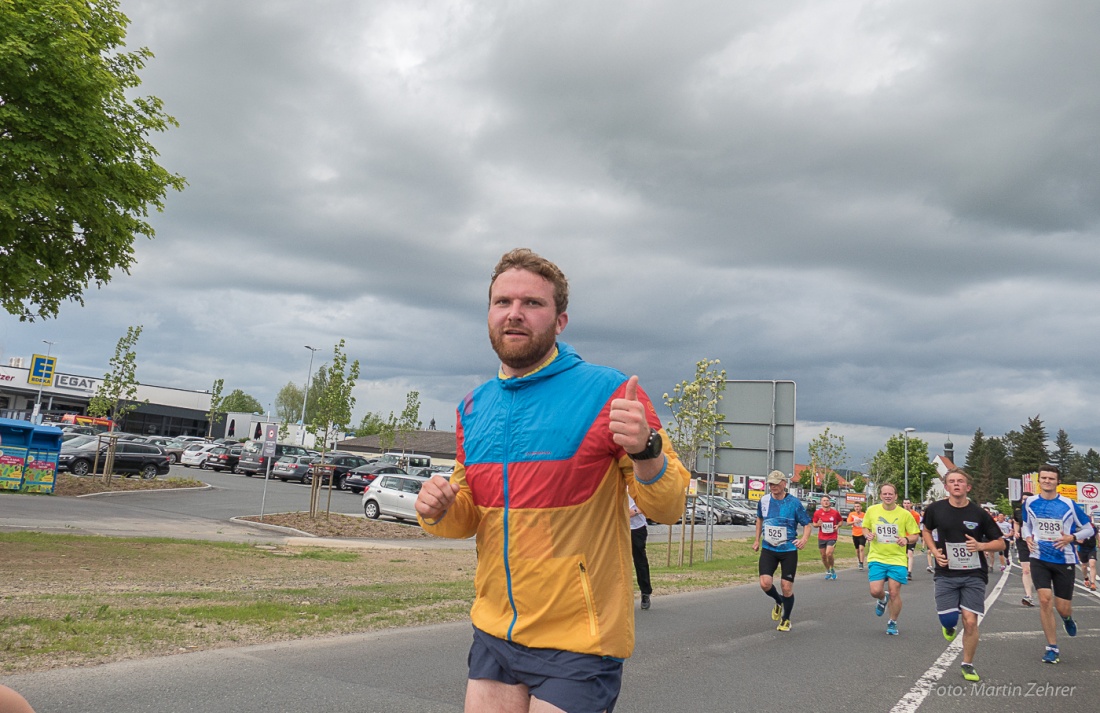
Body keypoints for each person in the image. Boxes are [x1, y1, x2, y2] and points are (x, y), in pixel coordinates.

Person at [414, 248, 689, 713]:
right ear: (488, 313)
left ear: (560, 320)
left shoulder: (611, 392)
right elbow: (468, 517)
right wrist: (437, 508)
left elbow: (670, 507)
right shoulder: (472, 407)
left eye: (532, 304)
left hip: (578, 640)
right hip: (495, 631)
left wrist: (646, 451)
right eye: (502, 302)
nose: (514, 314)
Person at [922, 469, 1005, 683]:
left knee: (970, 621)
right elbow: (926, 530)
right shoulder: (935, 509)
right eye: (952, 481)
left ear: (968, 487)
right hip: (946, 572)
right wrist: (933, 550)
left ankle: (967, 664)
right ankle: (949, 625)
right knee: (949, 619)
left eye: (960, 481)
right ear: (946, 487)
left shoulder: (979, 514)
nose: (956, 484)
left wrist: (981, 545)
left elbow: (1001, 543)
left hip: (973, 574)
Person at [1021, 465, 1096, 665]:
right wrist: (1027, 536)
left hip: (1064, 560)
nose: (1047, 481)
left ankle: (1067, 619)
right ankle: (1052, 647)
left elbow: (1089, 529)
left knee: (1063, 608)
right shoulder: (1029, 503)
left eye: (1051, 478)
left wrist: (1072, 537)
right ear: (1039, 481)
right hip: (1039, 558)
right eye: (1044, 478)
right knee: (1045, 600)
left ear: (1057, 482)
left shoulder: (1069, 504)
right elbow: (1025, 524)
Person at [752, 470, 812, 632]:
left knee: (786, 586)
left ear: (784, 484)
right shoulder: (764, 501)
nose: (773, 487)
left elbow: (807, 524)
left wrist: (804, 540)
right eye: (770, 484)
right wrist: (757, 539)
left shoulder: (794, 503)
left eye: (776, 484)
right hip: (769, 548)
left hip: (788, 550)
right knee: (765, 584)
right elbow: (759, 519)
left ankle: (786, 619)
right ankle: (778, 600)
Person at [864, 483, 919, 636]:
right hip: (877, 556)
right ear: (880, 495)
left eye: (891, 494)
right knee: (875, 591)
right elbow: (865, 527)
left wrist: (906, 540)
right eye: (884, 494)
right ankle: (882, 598)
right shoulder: (872, 510)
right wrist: (867, 535)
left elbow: (915, 534)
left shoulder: (905, 514)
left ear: (896, 496)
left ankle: (892, 622)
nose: (887, 496)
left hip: (897, 558)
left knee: (895, 592)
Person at [628, 494, 653, 610]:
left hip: (637, 528)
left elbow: (650, 503)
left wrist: (635, 511)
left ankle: (645, 593)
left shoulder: (638, 481)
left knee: (639, 561)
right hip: (619, 526)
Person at [812, 495, 842, 579]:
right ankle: (828, 570)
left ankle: (832, 568)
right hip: (822, 536)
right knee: (823, 556)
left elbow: (840, 521)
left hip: (832, 536)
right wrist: (818, 524)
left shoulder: (835, 512)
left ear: (830, 502)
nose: (826, 502)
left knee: (828, 553)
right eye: (824, 500)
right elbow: (814, 524)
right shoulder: (817, 513)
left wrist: (838, 526)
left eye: (827, 500)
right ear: (821, 502)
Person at [1013, 504, 1036, 606]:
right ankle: (1028, 596)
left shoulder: (1038, 510)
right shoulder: (1019, 512)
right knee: (1026, 570)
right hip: (1023, 542)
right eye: (1023, 499)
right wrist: (1016, 531)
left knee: (1036, 569)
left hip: (1037, 543)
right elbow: (1016, 522)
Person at [902, 498, 922, 578]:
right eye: (905, 503)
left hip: (911, 537)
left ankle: (909, 572)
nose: (906, 505)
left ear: (911, 504)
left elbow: (917, 526)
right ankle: (904, 569)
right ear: (903, 504)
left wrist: (917, 535)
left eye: (908, 503)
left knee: (910, 553)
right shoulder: (900, 513)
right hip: (902, 537)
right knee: (903, 554)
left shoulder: (916, 515)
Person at [847, 502, 866, 570]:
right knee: (857, 550)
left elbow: (868, 523)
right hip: (855, 534)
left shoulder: (864, 515)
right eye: (855, 506)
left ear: (861, 507)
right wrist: (854, 522)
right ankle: (859, 561)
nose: (857, 508)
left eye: (858, 506)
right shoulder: (852, 514)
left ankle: (861, 563)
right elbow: (848, 523)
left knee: (861, 548)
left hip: (862, 533)